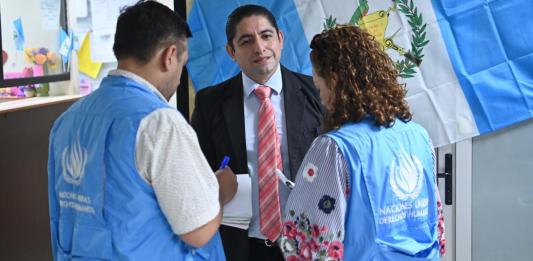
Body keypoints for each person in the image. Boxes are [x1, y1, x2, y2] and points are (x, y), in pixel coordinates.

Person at [47, 1, 237, 260]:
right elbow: (199, 231)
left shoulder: (67, 120)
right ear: (169, 56)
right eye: (183, 64)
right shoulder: (160, 122)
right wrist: (222, 191)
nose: (180, 78)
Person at [280, 25, 446, 260]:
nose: (321, 98)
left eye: (319, 87)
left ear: (334, 81)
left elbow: (311, 245)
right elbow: (436, 226)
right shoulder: (418, 136)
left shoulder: (332, 149)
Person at [191, 4, 323, 261]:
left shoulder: (316, 93)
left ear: (280, 39)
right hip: (242, 248)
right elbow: (198, 175)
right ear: (231, 51)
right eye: (246, 40)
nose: (260, 48)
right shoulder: (210, 103)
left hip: (307, 243)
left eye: (266, 36)